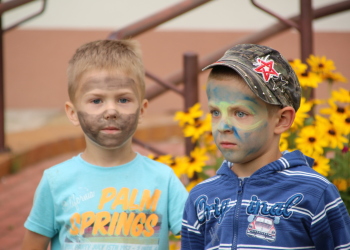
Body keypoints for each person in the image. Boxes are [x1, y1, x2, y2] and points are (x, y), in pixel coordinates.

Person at [22, 39, 188, 250]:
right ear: (73, 113)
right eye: (96, 101)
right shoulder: (56, 181)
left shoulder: (163, 179)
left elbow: (199, 237)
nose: (111, 111)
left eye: (123, 100)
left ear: (142, 111)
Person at [181, 44, 350, 249]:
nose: (223, 126)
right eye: (216, 112)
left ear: (281, 120)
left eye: (240, 113)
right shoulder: (201, 195)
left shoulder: (314, 192)